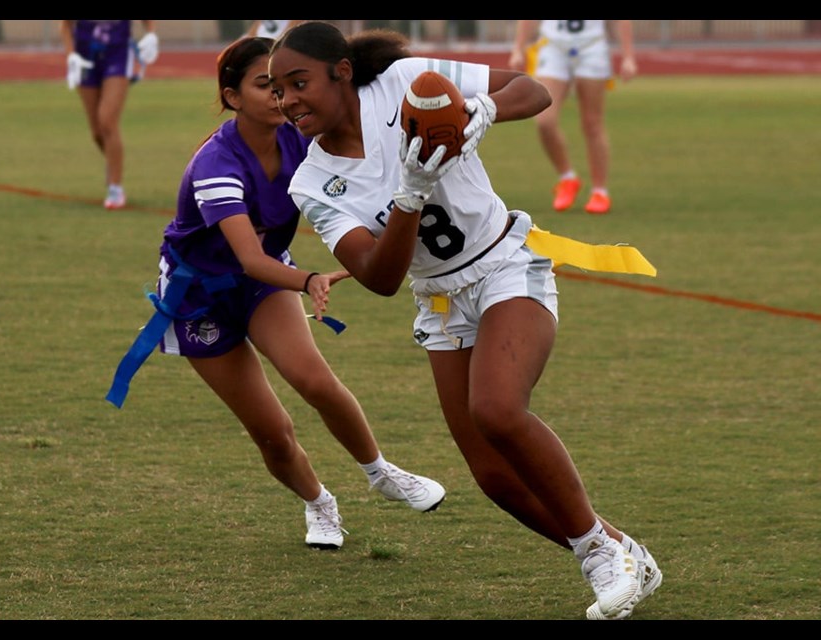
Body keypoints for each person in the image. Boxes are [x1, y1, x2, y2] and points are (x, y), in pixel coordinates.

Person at [268, 21, 661, 619]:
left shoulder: (405, 83)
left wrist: (483, 110)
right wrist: (410, 192)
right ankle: (613, 548)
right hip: (439, 298)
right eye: (278, 90)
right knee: (493, 475)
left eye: (299, 83)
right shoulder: (313, 181)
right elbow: (379, 276)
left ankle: (601, 555)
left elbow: (533, 89)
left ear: (341, 72)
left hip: (504, 263)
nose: (288, 100)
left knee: (497, 410)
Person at [105, 36, 445, 551]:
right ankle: (319, 503)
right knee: (272, 430)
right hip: (201, 297)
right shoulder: (216, 165)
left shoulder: (300, 137)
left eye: (287, 85)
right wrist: (311, 279)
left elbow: (355, 160)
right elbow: (250, 259)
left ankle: (380, 473)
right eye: (265, 85)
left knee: (315, 381)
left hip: (266, 285)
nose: (281, 96)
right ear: (233, 97)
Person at [508, 20, 637, 215]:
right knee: (545, 120)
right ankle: (567, 177)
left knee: (592, 123)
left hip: (591, 47)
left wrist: (628, 55)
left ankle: (599, 191)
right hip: (554, 47)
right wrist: (518, 48)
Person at [60, 20, 160, 210]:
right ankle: (114, 165)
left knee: (107, 121)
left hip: (118, 55)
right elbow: (65, 26)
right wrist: (71, 55)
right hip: (85, 56)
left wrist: (151, 34)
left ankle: (115, 187)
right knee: (97, 132)